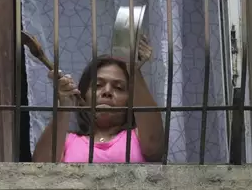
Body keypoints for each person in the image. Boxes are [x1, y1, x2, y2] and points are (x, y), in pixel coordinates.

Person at [32, 37, 165, 163]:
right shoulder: (67, 141)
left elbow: (154, 145)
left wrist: (133, 69)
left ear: (131, 100)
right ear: (83, 96)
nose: (107, 92)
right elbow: (41, 168)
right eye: (97, 85)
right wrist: (65, 104)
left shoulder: (137, 138)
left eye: (118, 88)